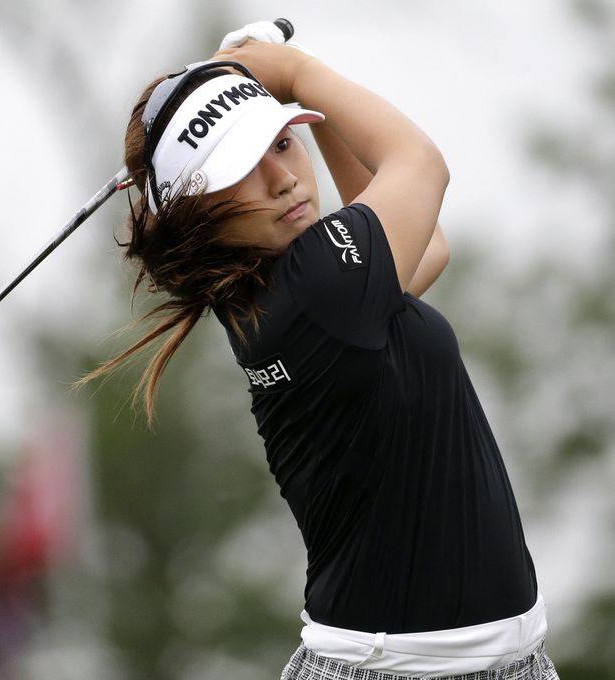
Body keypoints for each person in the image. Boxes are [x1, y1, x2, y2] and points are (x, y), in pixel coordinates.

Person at [81, 21, 560, 680]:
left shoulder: (273, 290)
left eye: (285, 142)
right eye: (245, 168)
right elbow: (421, 166)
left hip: (477, 662)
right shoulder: (322, 287)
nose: (285, 179)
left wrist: (300, 91)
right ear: (197, 210)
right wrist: (294, 70)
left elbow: (428, 243)